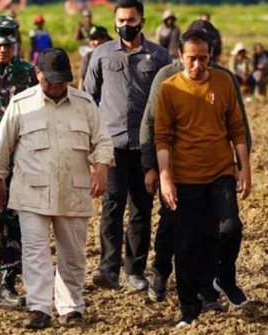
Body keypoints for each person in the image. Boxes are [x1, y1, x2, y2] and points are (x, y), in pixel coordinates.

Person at [0, 48, 114, 330]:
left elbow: (103, 141)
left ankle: (71, 307)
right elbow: (0, 148)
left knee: (73, 254)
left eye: (63, 81)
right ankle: (39, 308)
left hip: (73, 191)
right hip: (32, 193)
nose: (57, 87)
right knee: (35, 253)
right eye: (51, 81)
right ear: (38, 74)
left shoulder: (84, 104)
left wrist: (102, 168)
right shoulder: (21, 104)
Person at [140, 19, 252, 309]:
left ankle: (209, 289)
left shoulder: (224, 79)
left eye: (205, 56)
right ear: (181, 54)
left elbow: (238, 124)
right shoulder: (166, 81)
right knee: (173, 231)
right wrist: (154, 169)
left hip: (218, 172)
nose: (199, 64)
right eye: (193, 57)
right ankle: (161, 273)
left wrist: (244, 164)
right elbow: (153, 127)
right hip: (179, 173)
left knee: (220, 230)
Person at [84, 0, 170, 292]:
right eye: (121, 20)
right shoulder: (101, 54)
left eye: (131, 20)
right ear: (114, 21)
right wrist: (92, 146)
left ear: (142, 21)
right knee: (111, 205)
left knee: (141, 209)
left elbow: (167, 103)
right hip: (111, 146)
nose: (126, 25)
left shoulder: (158, 56)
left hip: (146, 146)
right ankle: (108, 268)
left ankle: (134, 271)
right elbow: (89, 99)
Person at [0, 15, 37, 309]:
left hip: (16, 162)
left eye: (9, 45)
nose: (4, 50)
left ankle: (5, 285)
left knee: (12, 224)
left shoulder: (25, 72)